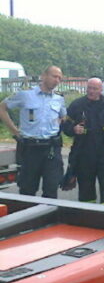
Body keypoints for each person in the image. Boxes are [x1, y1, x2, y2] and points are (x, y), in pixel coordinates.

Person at [0, 65, 66, 198]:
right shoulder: (25, 95)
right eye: (54, 76)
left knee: (51, 189)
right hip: (30, 149)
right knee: (27, 190)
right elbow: (2, 108)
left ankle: (48, 218)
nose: (57, 80)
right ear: (44, 76)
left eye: (60, 78)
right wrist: (14, 131)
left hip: (51, 149)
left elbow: (63, 117)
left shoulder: (59, 99)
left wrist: (54, 126)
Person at [61, 78, 104, 206]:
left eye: (95, 88)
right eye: (89, 88)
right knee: (86, 187)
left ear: (101, 90)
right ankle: (87, 218)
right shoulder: (77, 105)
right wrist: (73, 129)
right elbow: (65, 126)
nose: (91, 91)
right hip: (84, 152)